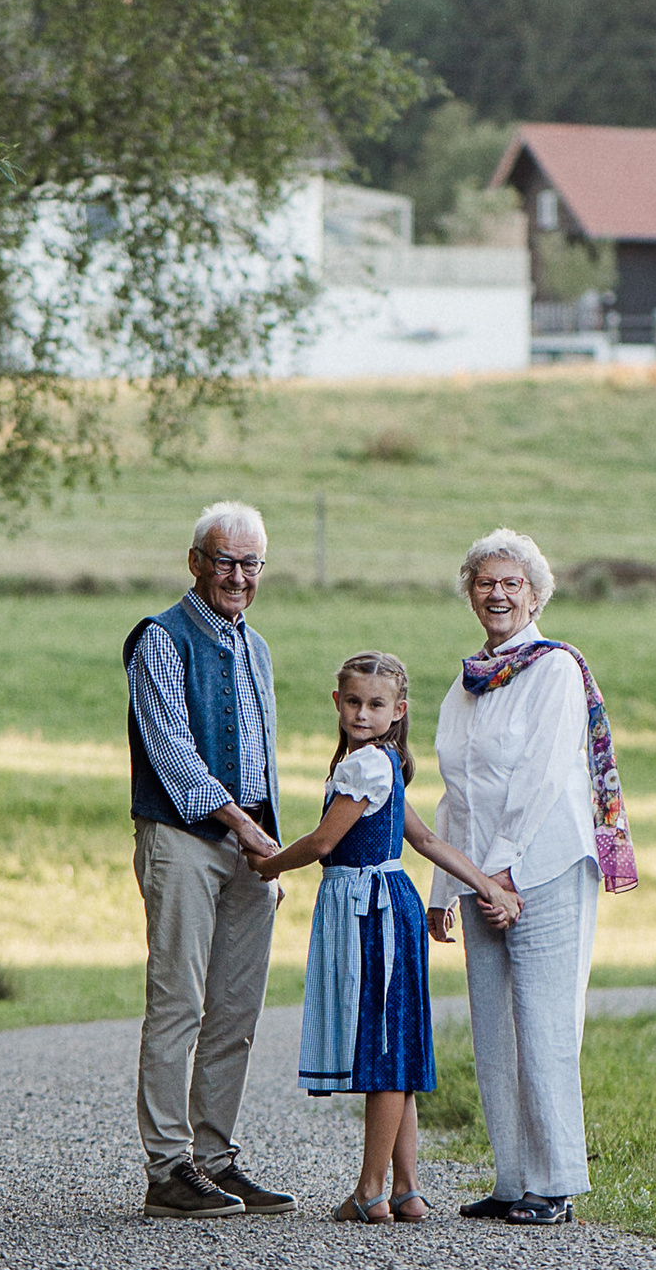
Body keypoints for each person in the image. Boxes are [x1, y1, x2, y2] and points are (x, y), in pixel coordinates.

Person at [254, 652, 522, 1224]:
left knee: (382, 1050)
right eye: (353, 702)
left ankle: (371, 1189)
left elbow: (326, 843)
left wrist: (270, 865)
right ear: (337, 703)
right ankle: (407, 1189)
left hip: (368, 909)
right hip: (389, 904)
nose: (361, 713)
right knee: (393, 1046)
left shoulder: (367, 767)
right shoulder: (381, 765)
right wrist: (474, 888)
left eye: (376, 705)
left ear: (398, 711)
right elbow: (426, 840)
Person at [426, 526, 637, 1227]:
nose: (497, 594)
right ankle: (513, 1179)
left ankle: (556, 1184)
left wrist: (505, 873)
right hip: (483, 875)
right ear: (469, 593)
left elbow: (545, 776)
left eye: (511, 582)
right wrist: (449, 888)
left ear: (536, 594)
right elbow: (453, 793)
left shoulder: (554, 670)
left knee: (544, 1025)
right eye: (485, 582)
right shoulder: (464, 686)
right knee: (493, 1028)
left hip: (541, 868)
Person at [123, 501, 299, 1219]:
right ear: (194, 561)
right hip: (186, 840)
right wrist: (241, 826)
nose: (237, 575)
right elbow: (172, 754)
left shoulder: (255, 646)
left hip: (251, 851)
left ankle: (217, 1159)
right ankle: (167, 1169)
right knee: (178, 1003)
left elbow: (263, 758)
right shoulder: (159, 639)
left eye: (250, 563)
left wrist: (271, 844)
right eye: (224, 560)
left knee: (236, 1010)